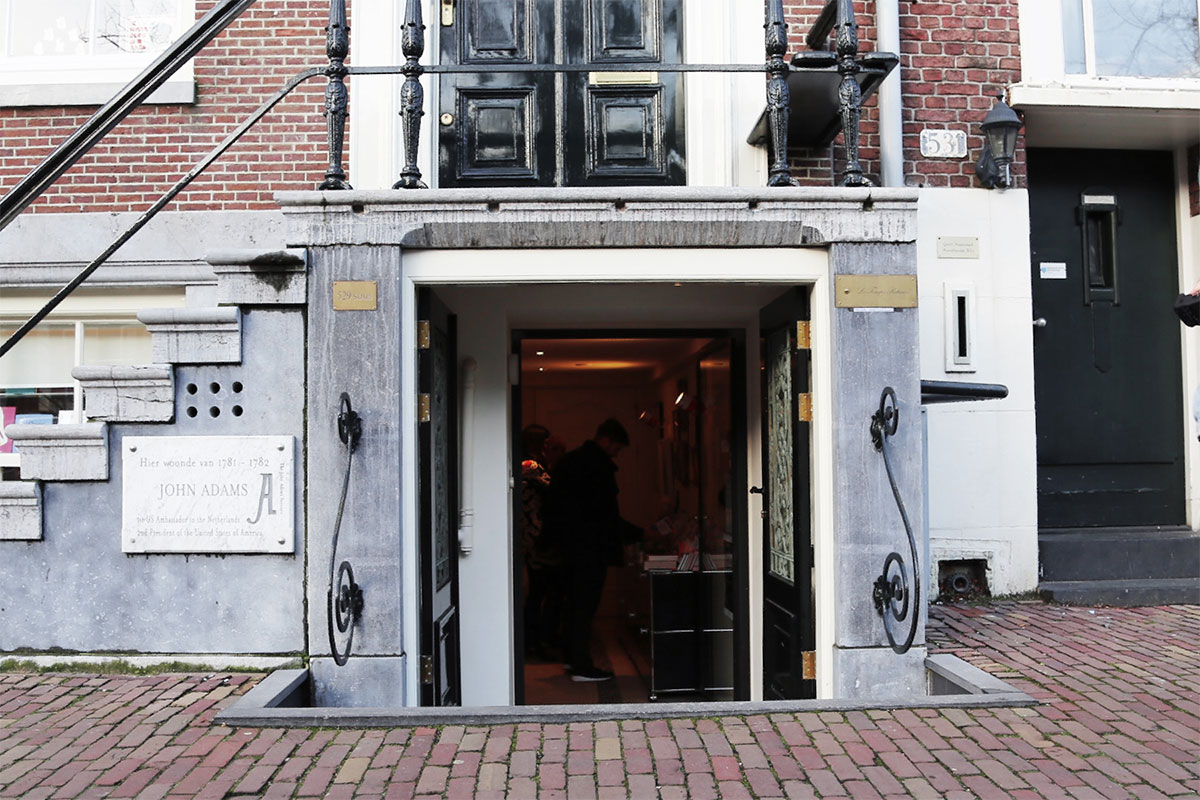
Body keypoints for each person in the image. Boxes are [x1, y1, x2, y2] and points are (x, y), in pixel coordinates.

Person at [541, 418, 641, 682]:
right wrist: (639, 534)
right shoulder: (596, 468)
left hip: (569, 547)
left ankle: (574, 659)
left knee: (574, 605)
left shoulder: (571, 462)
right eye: (617, 448)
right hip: (589, 548)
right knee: (584, 606)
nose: (616, 453)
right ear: (606, 440)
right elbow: (605, 514)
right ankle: (582, 665)